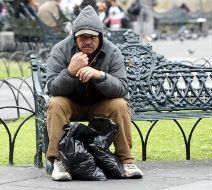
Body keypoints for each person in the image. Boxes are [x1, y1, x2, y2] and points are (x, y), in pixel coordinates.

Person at [45, 5, 143, 181]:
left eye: (92, 37)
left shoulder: (112, 51)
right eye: (82, 37)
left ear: (101, 36)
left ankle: (126, 160)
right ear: (74, 38)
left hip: (100, 104)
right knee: (56, 103)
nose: (87, 41)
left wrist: (101, 76)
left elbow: (122, 87)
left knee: (120, 104)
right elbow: (52, 88)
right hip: (71, 102)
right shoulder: (60, 50)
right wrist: (70, 71)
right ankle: (59, 162)